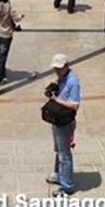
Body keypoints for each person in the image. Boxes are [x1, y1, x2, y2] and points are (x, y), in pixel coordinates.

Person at [45, 53, 80, 196]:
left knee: (64, 154)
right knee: (58, 149)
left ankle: (67, 186)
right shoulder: (62, 78)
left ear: (67, 66)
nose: (57, 71)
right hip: (57, 119)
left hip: (65, 121)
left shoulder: (73, 81)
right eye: (55, 68)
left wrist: (56, 99)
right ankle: (58, 174)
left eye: (59, 68)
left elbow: (74, 105)